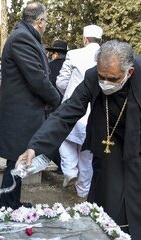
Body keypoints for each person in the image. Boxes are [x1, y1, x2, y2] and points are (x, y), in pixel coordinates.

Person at [17, 40, 141, 239]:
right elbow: (68, 111)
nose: (105, 83)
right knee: (108, 189)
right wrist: (36, 146)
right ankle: (105, 230)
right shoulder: (93, 77)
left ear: (129, 72)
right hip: (110, 138)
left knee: (140, 192)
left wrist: (139, 135)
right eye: (102, 77)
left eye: (112, 78)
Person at [0, 2, 61, 210]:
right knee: (15, 161)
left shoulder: (25, 36)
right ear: (40, 21)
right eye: (46, 21)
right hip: (20, 115)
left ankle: (12, 203)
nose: (46, 25)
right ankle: (6, 207)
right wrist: (57, 100)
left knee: (19, 160)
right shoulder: (22, 38)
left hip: (22, 112)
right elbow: (37, 78)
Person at [55, 25, 103, 198]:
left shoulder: (74, 54)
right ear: (100, 40)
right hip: (95, 111)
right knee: (87, 153)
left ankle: (69, 170)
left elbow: (61, 82)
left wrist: (67, 94)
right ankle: (83, 191)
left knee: (64, 139)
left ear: (85, 39)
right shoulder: (106, 56)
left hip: (73, 106)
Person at [44, 39, 68, 173]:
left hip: (51, 106)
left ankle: (54, 162)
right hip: (68, 106)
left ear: (54, 53)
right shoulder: (71, 66)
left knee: (51, 135)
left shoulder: (49, 66)